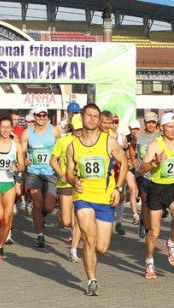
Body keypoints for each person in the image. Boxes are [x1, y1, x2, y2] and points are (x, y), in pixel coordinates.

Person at [65, 103, 128, 296]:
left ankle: (89, 255)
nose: (92, 119)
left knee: (101, 247)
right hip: (82, 196)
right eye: (89, 115)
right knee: (90, 239)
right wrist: (74, 181)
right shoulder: (72, 146)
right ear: (82, 117)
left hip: (104, 197)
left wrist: (118, 187)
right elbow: (68, 173)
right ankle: (92, 280)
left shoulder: (109, 142)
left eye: (95, 116)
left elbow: (123, 162)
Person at [139, 113, 174, 278]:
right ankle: (149, 261)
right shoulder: (155, 145)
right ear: (162, 128)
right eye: (170, 127)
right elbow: (142, 168)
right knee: (154, 232)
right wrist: (155, 162)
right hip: (157, 188)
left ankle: (171, 243)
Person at [20, 104, 62, 248]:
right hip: (34, 172)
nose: (41, 118)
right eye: (39, 115)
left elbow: (60, 149)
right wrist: (24, 160)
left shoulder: (54, 130)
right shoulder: (27, 133)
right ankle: (40, 235)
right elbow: (23, 152)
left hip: (50, 172)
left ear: (47, 116)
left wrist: (61, 168)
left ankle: (40, 216)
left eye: (44, 115)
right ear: (34, 116)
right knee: (37, 203)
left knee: (49, 207)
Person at [0, 116, 25, 259]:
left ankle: (1, 246)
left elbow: (22, 165)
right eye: (3, 127)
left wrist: (17, 167)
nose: (5, 130)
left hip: (9, 183)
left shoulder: (17, 145)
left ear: (12, 128)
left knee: (7, 219)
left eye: (8, 127)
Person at [50, 114, 84, 262]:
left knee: (77, 220)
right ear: (72, 128)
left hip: (82, 185)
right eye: (77, 130)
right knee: (66, 221)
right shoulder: (63, 142)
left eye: (82, 130)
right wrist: (61, 174)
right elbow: (53, 161)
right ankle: (59, 217)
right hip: (65, 183)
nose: (80, 132)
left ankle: (73, 250)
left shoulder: (88, 142)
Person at [132, 112, 161, 238]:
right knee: (144, 198)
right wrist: (132, 158)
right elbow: (131, 147)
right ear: (144, 122)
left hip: (155, 172)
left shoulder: (160, 136)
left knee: (154, 201)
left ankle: (145, 221)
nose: (151, 125)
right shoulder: (139, 136)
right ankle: (147, 228)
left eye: (153, 122)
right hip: (141, 172)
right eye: (149, 122)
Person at [99, 111, 126, 235]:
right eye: (107, 122)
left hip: (115, 170)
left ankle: (119, 222)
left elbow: (124, 158)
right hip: (97, 175)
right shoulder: (95, 134)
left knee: (121, 196)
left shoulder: (117, 137)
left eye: (114, 122)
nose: (110, 125)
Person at [124, 120, 141, 226]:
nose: (133, 131)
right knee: (132, 189)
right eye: (131, 129)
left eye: (135, 129)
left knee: (138, 192)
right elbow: (124, 152)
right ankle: (135, 215)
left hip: (140, 168)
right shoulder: (126, 138)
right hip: (129, 167)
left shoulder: (143, 138)